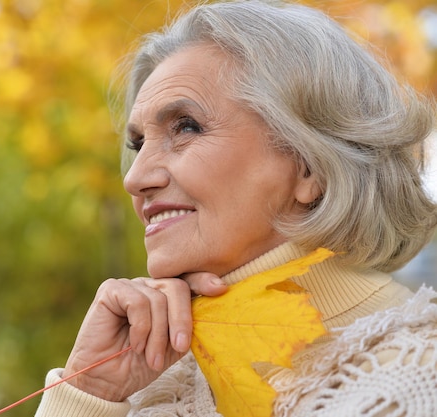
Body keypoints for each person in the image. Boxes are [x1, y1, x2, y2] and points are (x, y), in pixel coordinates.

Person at [35, 1, 437, 416]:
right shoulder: (136, 388)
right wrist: (87, 391)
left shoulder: (417, 379)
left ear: (309, 165)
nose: (134, 179)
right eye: (138, 144)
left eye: (186, 126)